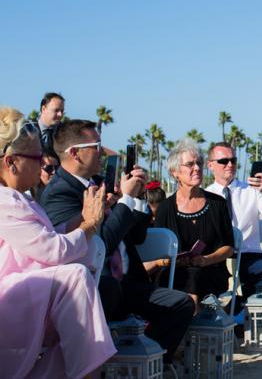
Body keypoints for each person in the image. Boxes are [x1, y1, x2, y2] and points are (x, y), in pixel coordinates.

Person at [39, 119, 194, 370]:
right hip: (93, 287)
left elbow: (139, 236)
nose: (102, 151)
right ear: (75, 153)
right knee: (110, 288)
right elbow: (101, 246)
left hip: (124, 284)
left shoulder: (99, 184)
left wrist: (137, 198)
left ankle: (143, 364)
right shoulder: (59, 194)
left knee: (181, 304)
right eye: (96, 146)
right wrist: (126, 201)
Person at [0, 107, 115, 378]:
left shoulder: (19, 197)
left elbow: (48, 236)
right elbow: (52, 251)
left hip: (27, 291)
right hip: (9, 298)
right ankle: (90, 373)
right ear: (11, 161)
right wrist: (88, 224)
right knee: (75, 277)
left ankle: (87, 370)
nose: (43, 164)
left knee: (74, 336)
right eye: (37, 157)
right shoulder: (5, 201)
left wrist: (83, 220)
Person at [155, 139, 234, 312]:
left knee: (194, 276)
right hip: (174, 271)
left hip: (211, 270)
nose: (197, 168)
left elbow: (229, 247)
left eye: (198, 163)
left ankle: (190, 328)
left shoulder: (217, 204)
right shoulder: (165, 208)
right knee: (186, 276)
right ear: (175, 172)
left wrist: (206, 260)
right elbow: (157, 252)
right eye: (190, 164)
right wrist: (174, 261)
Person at [205, 142, 262, 303]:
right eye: (223, 161)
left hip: (249, 254)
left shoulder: (252, 191)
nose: (230, 164)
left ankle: (252, 316)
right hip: (217, 256)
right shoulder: (205, 195)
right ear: (210, 165)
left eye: (233, 160)